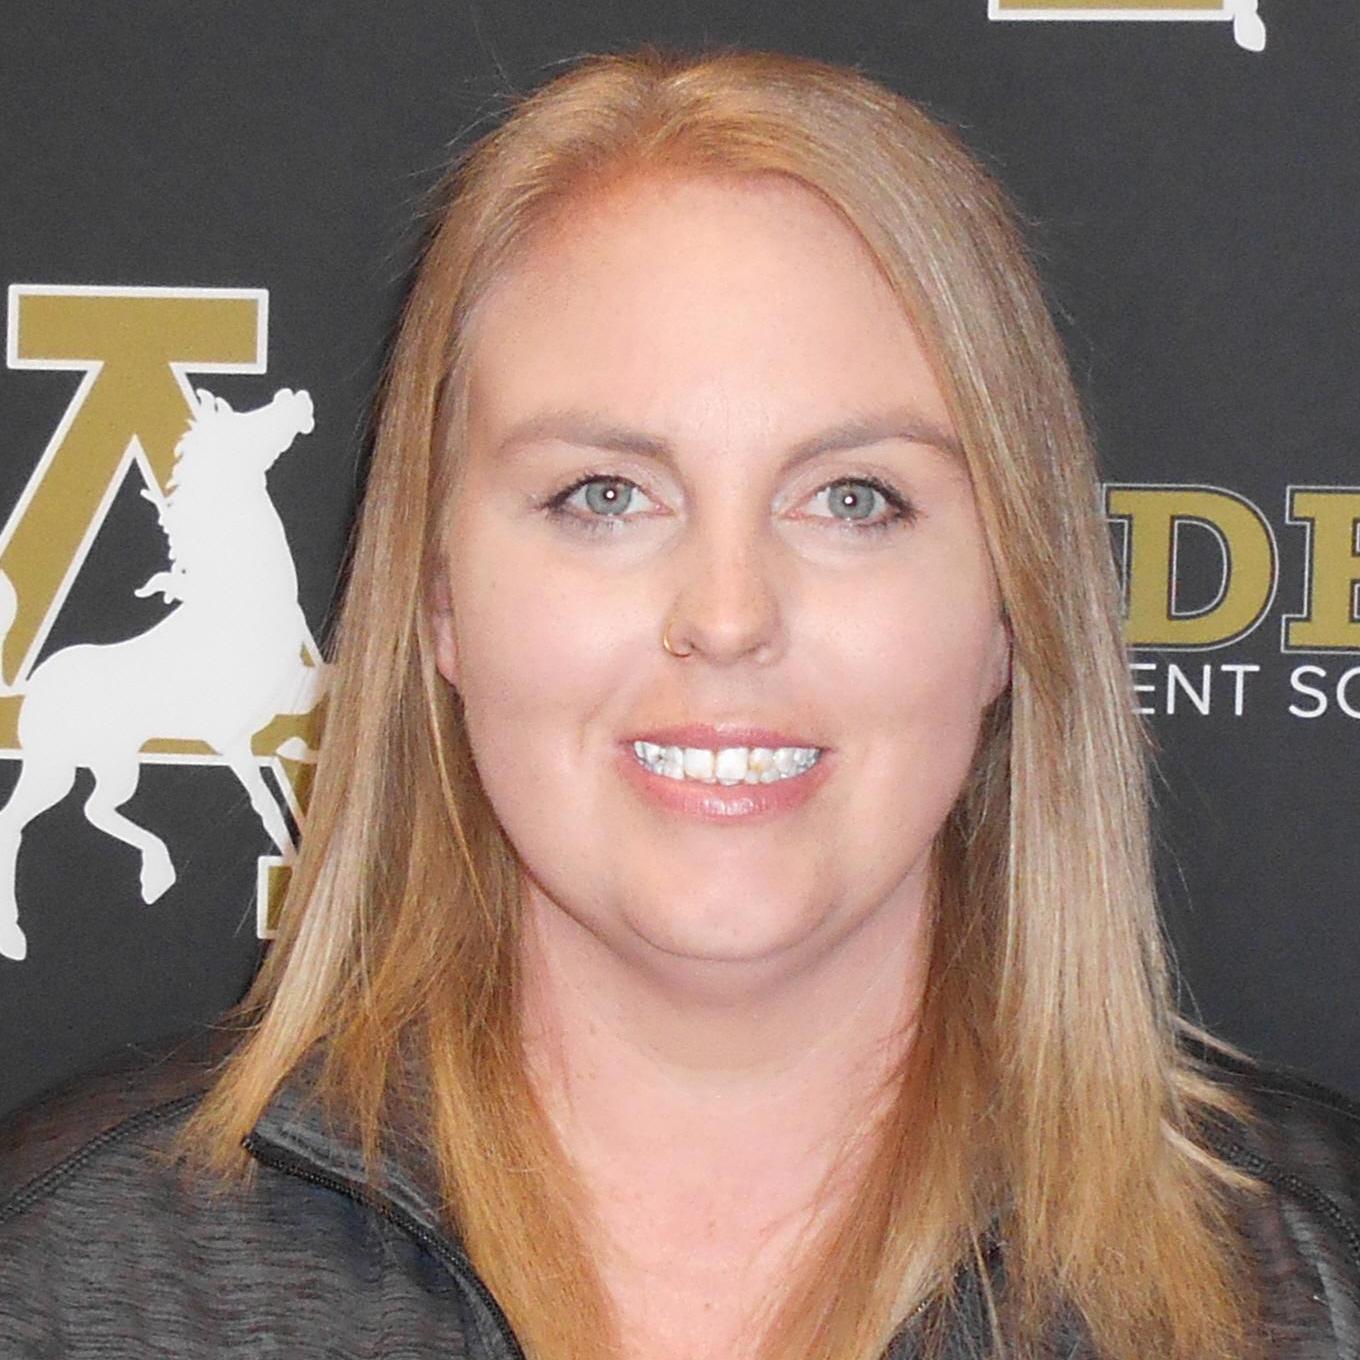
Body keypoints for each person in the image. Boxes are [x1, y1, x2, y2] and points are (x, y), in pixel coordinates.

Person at [2, 42, 1358, 1360]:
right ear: (438, 597)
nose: (727, 614)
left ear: (1012, 605)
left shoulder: (1315, 1277)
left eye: (853, 499)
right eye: (605, 495)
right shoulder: (68, 1273)